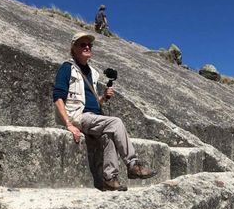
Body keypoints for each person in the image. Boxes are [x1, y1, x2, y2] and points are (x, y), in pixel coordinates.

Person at [52, 32, 156, 191]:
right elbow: (58, 97)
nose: (87, 47)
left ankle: (109, 179)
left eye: (89, 45)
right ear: (73, 48)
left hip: (93, 117)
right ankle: (133, 165)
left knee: (108, 136)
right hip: (79, 117)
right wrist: (68, 124)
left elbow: (90, 101)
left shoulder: (92, 72)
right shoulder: (67, 68)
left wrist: (103, 98)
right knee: (116, 122)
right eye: (82, 44)